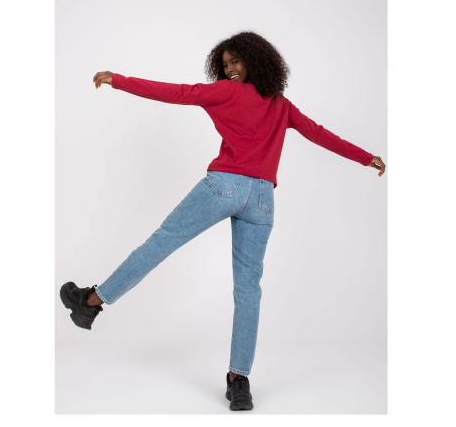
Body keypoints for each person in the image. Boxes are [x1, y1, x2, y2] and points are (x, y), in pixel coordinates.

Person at [60, 31, 386, 411]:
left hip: (224, 187)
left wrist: (119, 80)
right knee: (249, 289)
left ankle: (91, 301)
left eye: (235, 61)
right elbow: (318, 134)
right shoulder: (281, 105)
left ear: (254, 60)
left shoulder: (229, 93)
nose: (229, 69)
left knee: (162, 242)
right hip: (262, 200)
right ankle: (239, 380)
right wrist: (366, 158)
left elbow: (177, 93)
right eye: (225, 63)